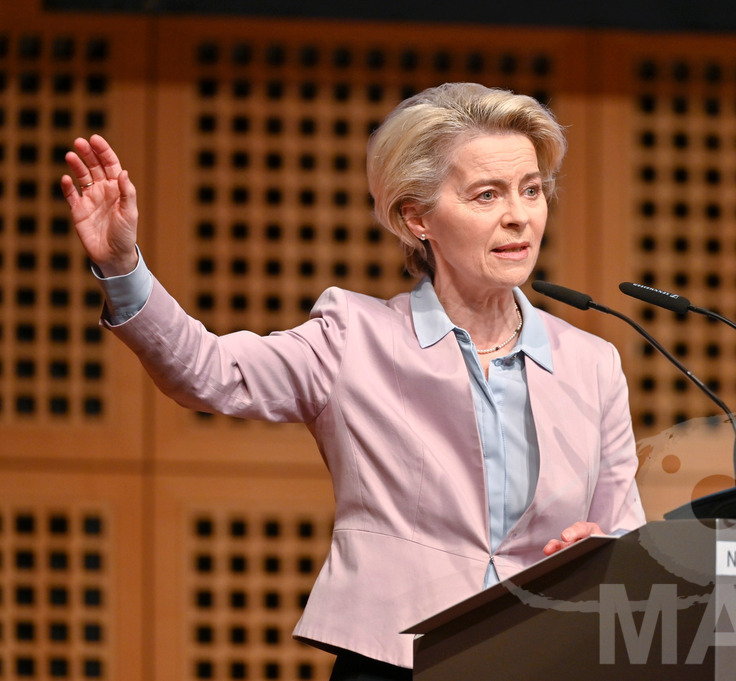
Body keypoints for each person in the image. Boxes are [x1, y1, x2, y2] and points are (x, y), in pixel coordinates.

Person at [61, 82, 645, 679]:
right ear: (416, 216)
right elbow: (207, 371)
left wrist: (600, 552)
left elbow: (625, 530)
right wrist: (120, 266)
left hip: (542, 658)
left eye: (531, 190)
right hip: (395, 659)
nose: (519, 215)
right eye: (486, 195)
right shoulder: (354, 337)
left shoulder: (592, 362)